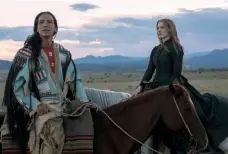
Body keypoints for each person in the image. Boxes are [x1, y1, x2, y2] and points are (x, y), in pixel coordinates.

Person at [133, 18, 228, 153]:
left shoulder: (176, 48)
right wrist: (141, 85)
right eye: (157, 28)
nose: (159, 30)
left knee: (190, 112)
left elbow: (176, 73)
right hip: (155, 86)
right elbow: (150, 70)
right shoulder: (155, 50)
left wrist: (163, 89)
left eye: (162, 28)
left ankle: (196, 144)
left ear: (170, 30)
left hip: (173, 85)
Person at [1, 11, 91, 154]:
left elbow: (75, 80)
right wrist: (36, 106)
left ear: (55, 28)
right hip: (41, 106)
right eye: (41, 22)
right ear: (36, 28)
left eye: (49, 22)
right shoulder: (27, 54)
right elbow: (16, 87)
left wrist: (84, 102)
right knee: (52, 131)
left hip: (63, 103)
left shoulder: (63, 53)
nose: (45, 25)